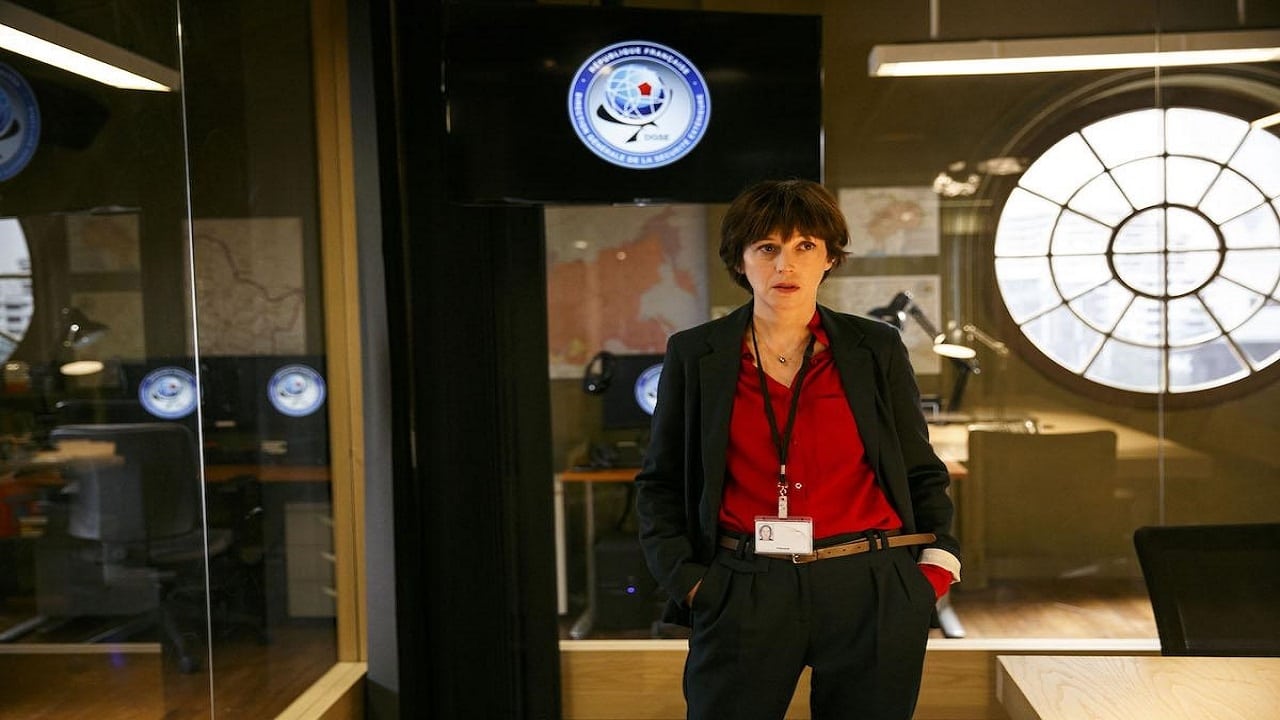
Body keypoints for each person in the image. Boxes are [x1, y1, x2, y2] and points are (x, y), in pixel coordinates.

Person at [634, 179, 961, 720]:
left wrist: (934, 571)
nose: (785, 264)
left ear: (829, 257)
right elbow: (661, 481)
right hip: (744, 584)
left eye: (805, 245)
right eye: (767, 247)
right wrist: (691, 584)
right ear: (740, 260)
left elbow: (919, 467)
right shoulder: (695, 353)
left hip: (870, 580)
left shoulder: (874, 347)